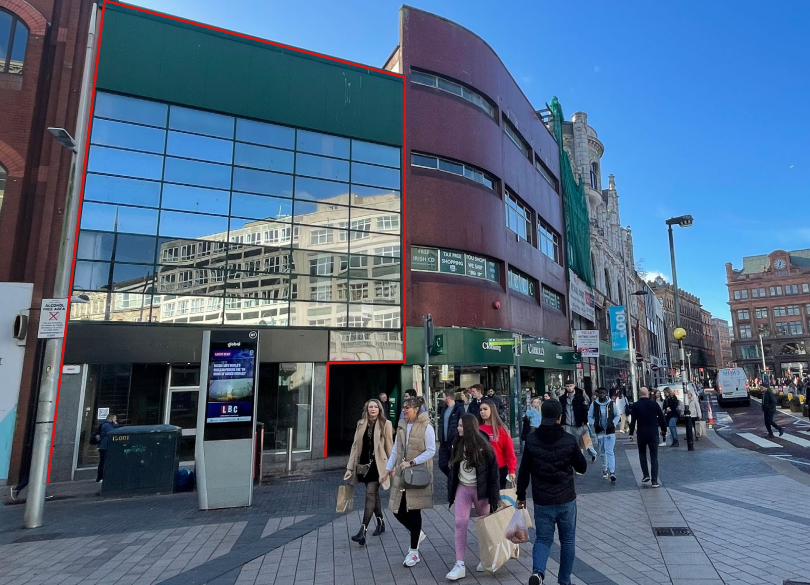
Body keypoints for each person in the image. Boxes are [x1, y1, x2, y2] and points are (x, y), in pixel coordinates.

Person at [516, 399, 587, 585]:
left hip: (542, 499)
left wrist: (521, 495)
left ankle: (538, 573)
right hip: (566, 498)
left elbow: (523, 471)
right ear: (559, 417)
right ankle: (564, 580)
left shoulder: (532, 440)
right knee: (568, 541)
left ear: (542, 415)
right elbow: (582, 466)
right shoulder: (569, 440)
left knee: (543, 539)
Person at [381, 397, 435, 568]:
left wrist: (411, 462)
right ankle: (417, 532)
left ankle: (413, 552)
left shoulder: (427, 427)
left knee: (414, 510)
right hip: (402, 472)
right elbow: (396, 449)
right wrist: (388, 469)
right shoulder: (403, 425)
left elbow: (431, 450)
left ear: (416, 409)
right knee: (396, 509)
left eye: (407, 408)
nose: (404, 410)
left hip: (418, 473)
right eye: (403, 407)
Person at [445, 414, 500, 581]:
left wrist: (494, 497)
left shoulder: (484, 446)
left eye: (461, 426)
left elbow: (494, 475)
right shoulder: (457, 443)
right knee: (460, 522)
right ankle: (459, 563)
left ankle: (486, 558)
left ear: (469, 427)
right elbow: (452, 466)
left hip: (480, 490)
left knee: (483, 523)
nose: (458, 428)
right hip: (463, 488)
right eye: (458, 425)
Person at [344, 399, 394, 545]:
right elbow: (355, 446)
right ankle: (380, 522)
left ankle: (362, 531)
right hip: (364, 466)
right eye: (370, 407)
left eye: (375, 407)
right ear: (367, 409)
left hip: (379, 466)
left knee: (370, 494)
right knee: (374, 496)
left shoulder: (386, 424)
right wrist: (349, 468)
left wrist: (392, 467)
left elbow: (390, 446)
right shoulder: (360, 424)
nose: (373, 409)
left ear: (379, 409)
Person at [628, 387, 667, 488]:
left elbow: (633, 421)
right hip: (653, 433)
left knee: (642, 454)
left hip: (641, 433)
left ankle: (645, 475)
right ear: (648, 394)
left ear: (639, 394)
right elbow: (662, 418)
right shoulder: (654, 404)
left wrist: (631, 433)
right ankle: (654, 481)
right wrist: (664, 430)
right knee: (654, 456)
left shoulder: (636, 405)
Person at [479, 398, 516, 488]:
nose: (482, 412)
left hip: (499, 468)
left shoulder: (501, 429)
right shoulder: (478, 429)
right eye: (480, 410)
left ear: (492, 410)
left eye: (485, 409)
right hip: (482, 468)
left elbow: (509, 451)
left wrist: (512, 470)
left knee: (498, 497)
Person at [588, 387, 621, 482]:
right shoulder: (594, 405)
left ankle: (612, 471)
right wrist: (593, 423)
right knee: (602, 452)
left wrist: (613, 423)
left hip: (610, 431)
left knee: (609, 451)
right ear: (597, 394)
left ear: (606, 393)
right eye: (600, 393)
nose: (602, 395)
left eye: (604, 393)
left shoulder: (611, 404)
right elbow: (590, 416)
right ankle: (604, 469)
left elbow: (617, 415)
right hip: (599, 431)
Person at [559, 381, 596, 463]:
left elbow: (586, 410)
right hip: (567, 425)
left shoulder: (581, 397)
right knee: (572, 444)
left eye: (571, 386)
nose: (569, 388)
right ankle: (576, 462)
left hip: (579, 424)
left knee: (584, 443)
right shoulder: (562, 398)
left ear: (574, 386)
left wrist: (585, 422)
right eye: (567, 386)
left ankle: (590, 456)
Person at [438, 389, 466, 476]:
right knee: (442, 464)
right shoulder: (444, 409)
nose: (442, 399)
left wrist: (459, 438)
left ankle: (454, 481)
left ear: (448, 397)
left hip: (455, 441)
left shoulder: (459, 409)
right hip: (444, 442)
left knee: (455, 464)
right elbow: (441, 424)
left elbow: (462, 424)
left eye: (443, 396)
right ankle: (452, 477)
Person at [96, 413, 120, 483]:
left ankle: (101, 477)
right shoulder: (107, 425)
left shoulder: (107, 425)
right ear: (111, 419)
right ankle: (100, 477)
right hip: (104, 446)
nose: (116, 420)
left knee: (103, 462)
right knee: (103, 462)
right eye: (115, 419)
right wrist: (115, 424)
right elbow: (114, 432)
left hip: (105, 446)